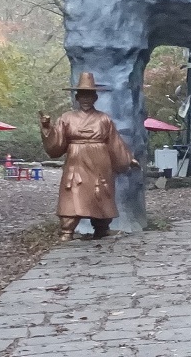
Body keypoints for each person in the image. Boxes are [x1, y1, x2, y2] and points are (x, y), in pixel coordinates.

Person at [39, 72, 139, 241]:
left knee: (101, 193)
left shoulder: (104, 119)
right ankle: (67, 229)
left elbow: (114, 142)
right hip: (76, 159)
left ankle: (102, 227)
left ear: (95, 98)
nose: (86, 99)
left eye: (89, 96)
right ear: (77, 98)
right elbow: (57, 143)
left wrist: (127, 158)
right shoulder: (66, 118)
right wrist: (47, 127)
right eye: (82, 96)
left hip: (100, 161)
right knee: (72, 192)